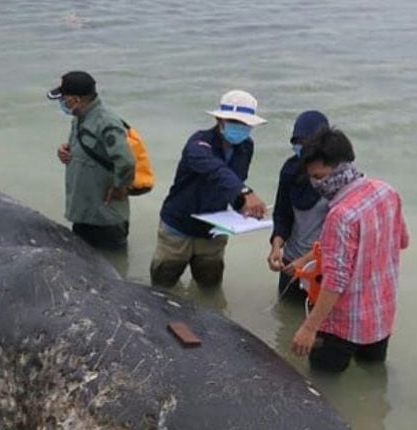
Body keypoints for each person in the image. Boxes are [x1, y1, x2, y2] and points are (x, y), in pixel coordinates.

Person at [289, 128, 409, 372]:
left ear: (340, 168)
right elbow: (402, 241)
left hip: (342, 324)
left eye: (319, 176)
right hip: (380, 316)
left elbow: (336, 279)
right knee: (373, 379)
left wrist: (309, 328)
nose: (316, 184)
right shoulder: (386, 191)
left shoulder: (340, 215)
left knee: (323, 386)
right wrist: (307, 258)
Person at [150, 90, 268, 287]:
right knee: (163, 284)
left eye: (245, 124)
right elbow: (217, 171)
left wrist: (242, 206)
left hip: (214, 229)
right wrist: (246, 193)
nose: (241, 128)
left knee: (210, 285)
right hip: (178, 227)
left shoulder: (246, 146)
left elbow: (234, 181)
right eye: (235, 122)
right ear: (220, 121)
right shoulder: (198, 143)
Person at [48, 71, 134, 251]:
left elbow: (126, 161)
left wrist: (119, 187)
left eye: (63, 98)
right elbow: (90, 148)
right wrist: (66, 150)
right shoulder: (80, 118)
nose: (61, 103)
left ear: (76, 100)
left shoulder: (106, 122)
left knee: (110, 267)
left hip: (104, 218)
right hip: (84, 212)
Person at [267, 110, 330, 299]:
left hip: (322, 266)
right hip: (291, 262)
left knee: (317, 320)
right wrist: (276, 246)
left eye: (305, 143)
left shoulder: (335, 178)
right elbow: (282, 213)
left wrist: (307, 259)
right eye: (296, 143)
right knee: (286, 318)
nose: (300, 148)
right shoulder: (290, 170)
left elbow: (337, 236)